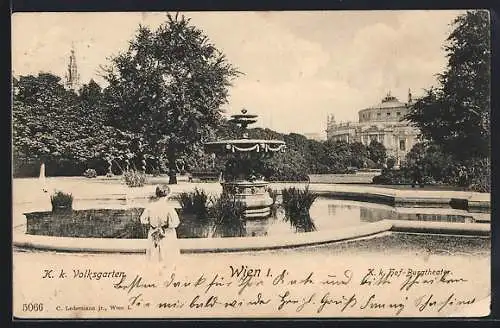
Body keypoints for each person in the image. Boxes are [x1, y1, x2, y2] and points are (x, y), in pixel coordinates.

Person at [140, 185, 181, 270]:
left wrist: (153, 224)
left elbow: (143, 220)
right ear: (168, 194)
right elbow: (175, 222)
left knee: (154, 252)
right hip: (167, 233)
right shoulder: (169, 208)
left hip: (154, 231)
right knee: (167, 253)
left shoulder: (150, 206)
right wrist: (166, 225)